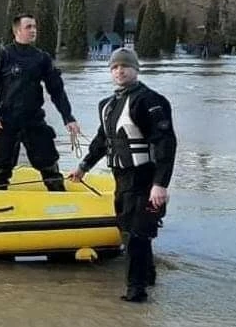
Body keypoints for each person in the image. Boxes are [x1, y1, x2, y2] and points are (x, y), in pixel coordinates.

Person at [68, 48, 176, 303]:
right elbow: (101, 140)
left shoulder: (151, 101)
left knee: (137, 234)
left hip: (145, 178)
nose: (120, 71)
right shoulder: (107, 104)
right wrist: (83, 167)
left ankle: (136, 290)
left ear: (136, 69)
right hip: (121, 179)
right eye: (115, 67)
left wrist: (160, 184)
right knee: (130, 230)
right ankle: (148, 277)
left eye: (125, 66)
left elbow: (166, 143)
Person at [0, 13, 81, 191]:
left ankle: (62, 204)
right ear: (17, 31)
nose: (33, 30)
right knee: (1, 170)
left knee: (49, 166)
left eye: (34, 27)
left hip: (34, 121)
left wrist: (68, 117)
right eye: (28, 27)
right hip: (5, 122)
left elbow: (56, 90)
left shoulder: (42, 58)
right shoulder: (2, 56)